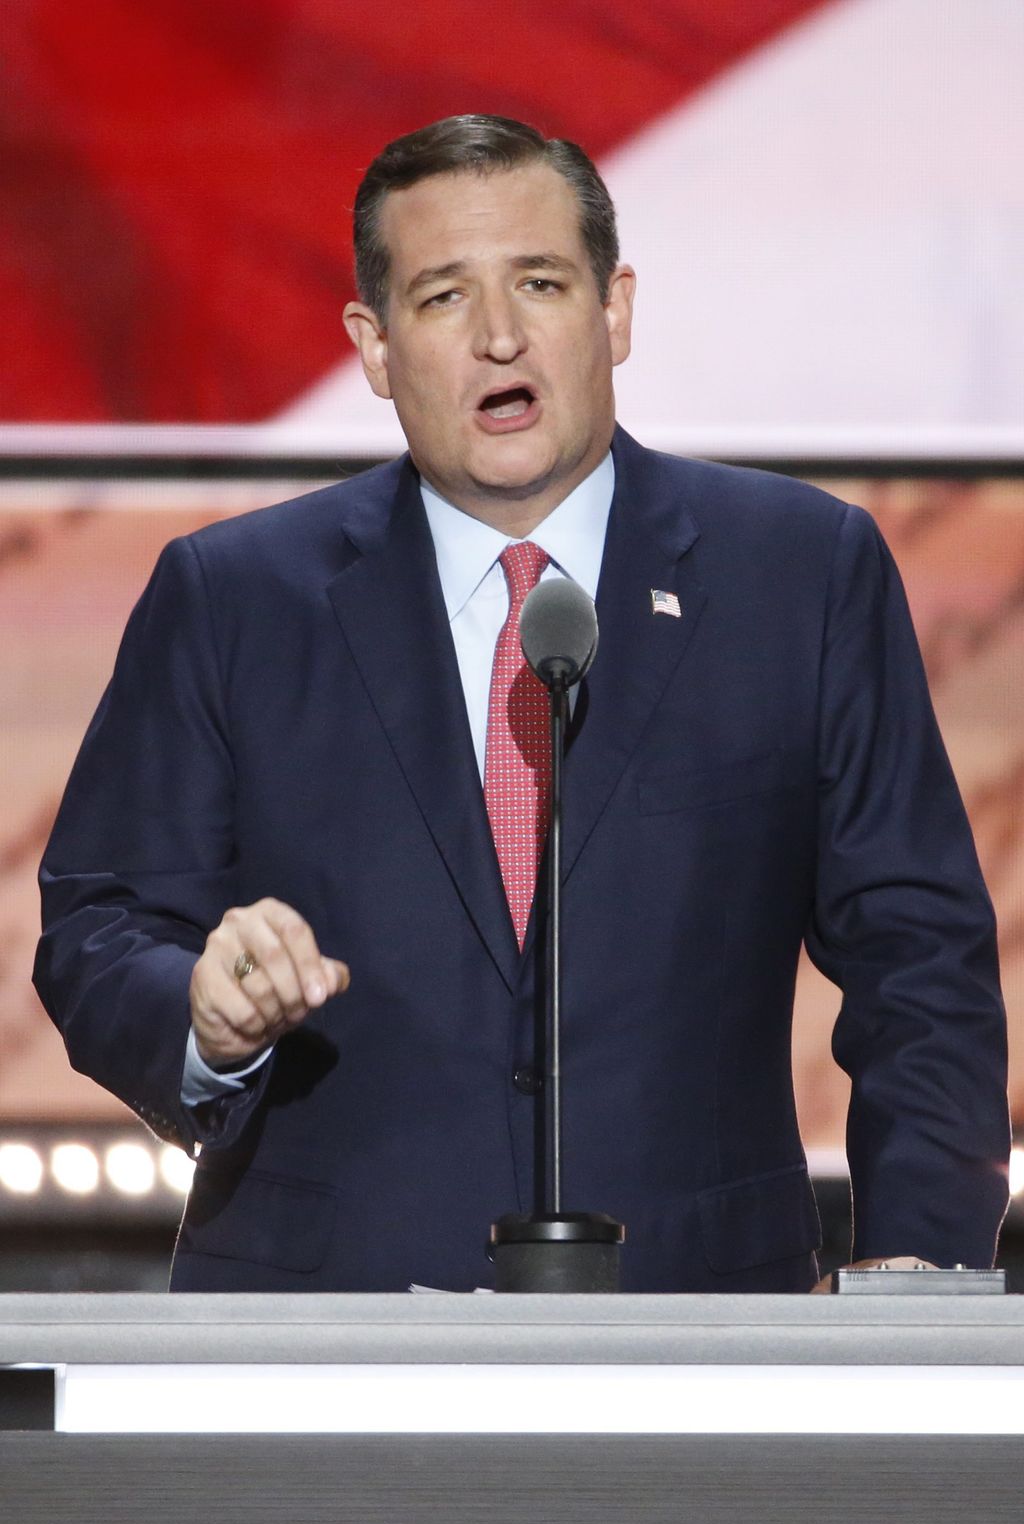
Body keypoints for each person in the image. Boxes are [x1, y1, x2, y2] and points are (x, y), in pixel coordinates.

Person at [34, 115, 1009, 1293]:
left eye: (540, 283)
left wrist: (915, 1267)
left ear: (615, 311)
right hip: (318, 1331)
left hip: (701, 1321)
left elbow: (920, 960)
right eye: (443, 297)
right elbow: (99, 929)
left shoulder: (799, 576)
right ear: (375, 346)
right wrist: (202, 1021)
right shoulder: (234, 597)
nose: (499, 336)